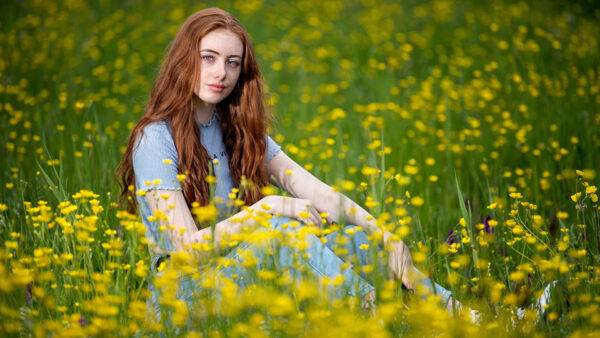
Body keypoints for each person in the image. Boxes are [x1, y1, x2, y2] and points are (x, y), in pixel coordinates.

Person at [115, 7, 458, 323]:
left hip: (242, 270)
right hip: (184, 296)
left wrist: (384, 235)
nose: (221, 72)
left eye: (233, 62)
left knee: (356, 239)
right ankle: (379, 320)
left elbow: (315, 192)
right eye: (209, 58)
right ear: (184, 60)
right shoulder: (155, 138)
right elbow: (187, 249)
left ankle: (456, 314)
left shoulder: (237, 131)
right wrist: (266, 209)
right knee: (282, 232)